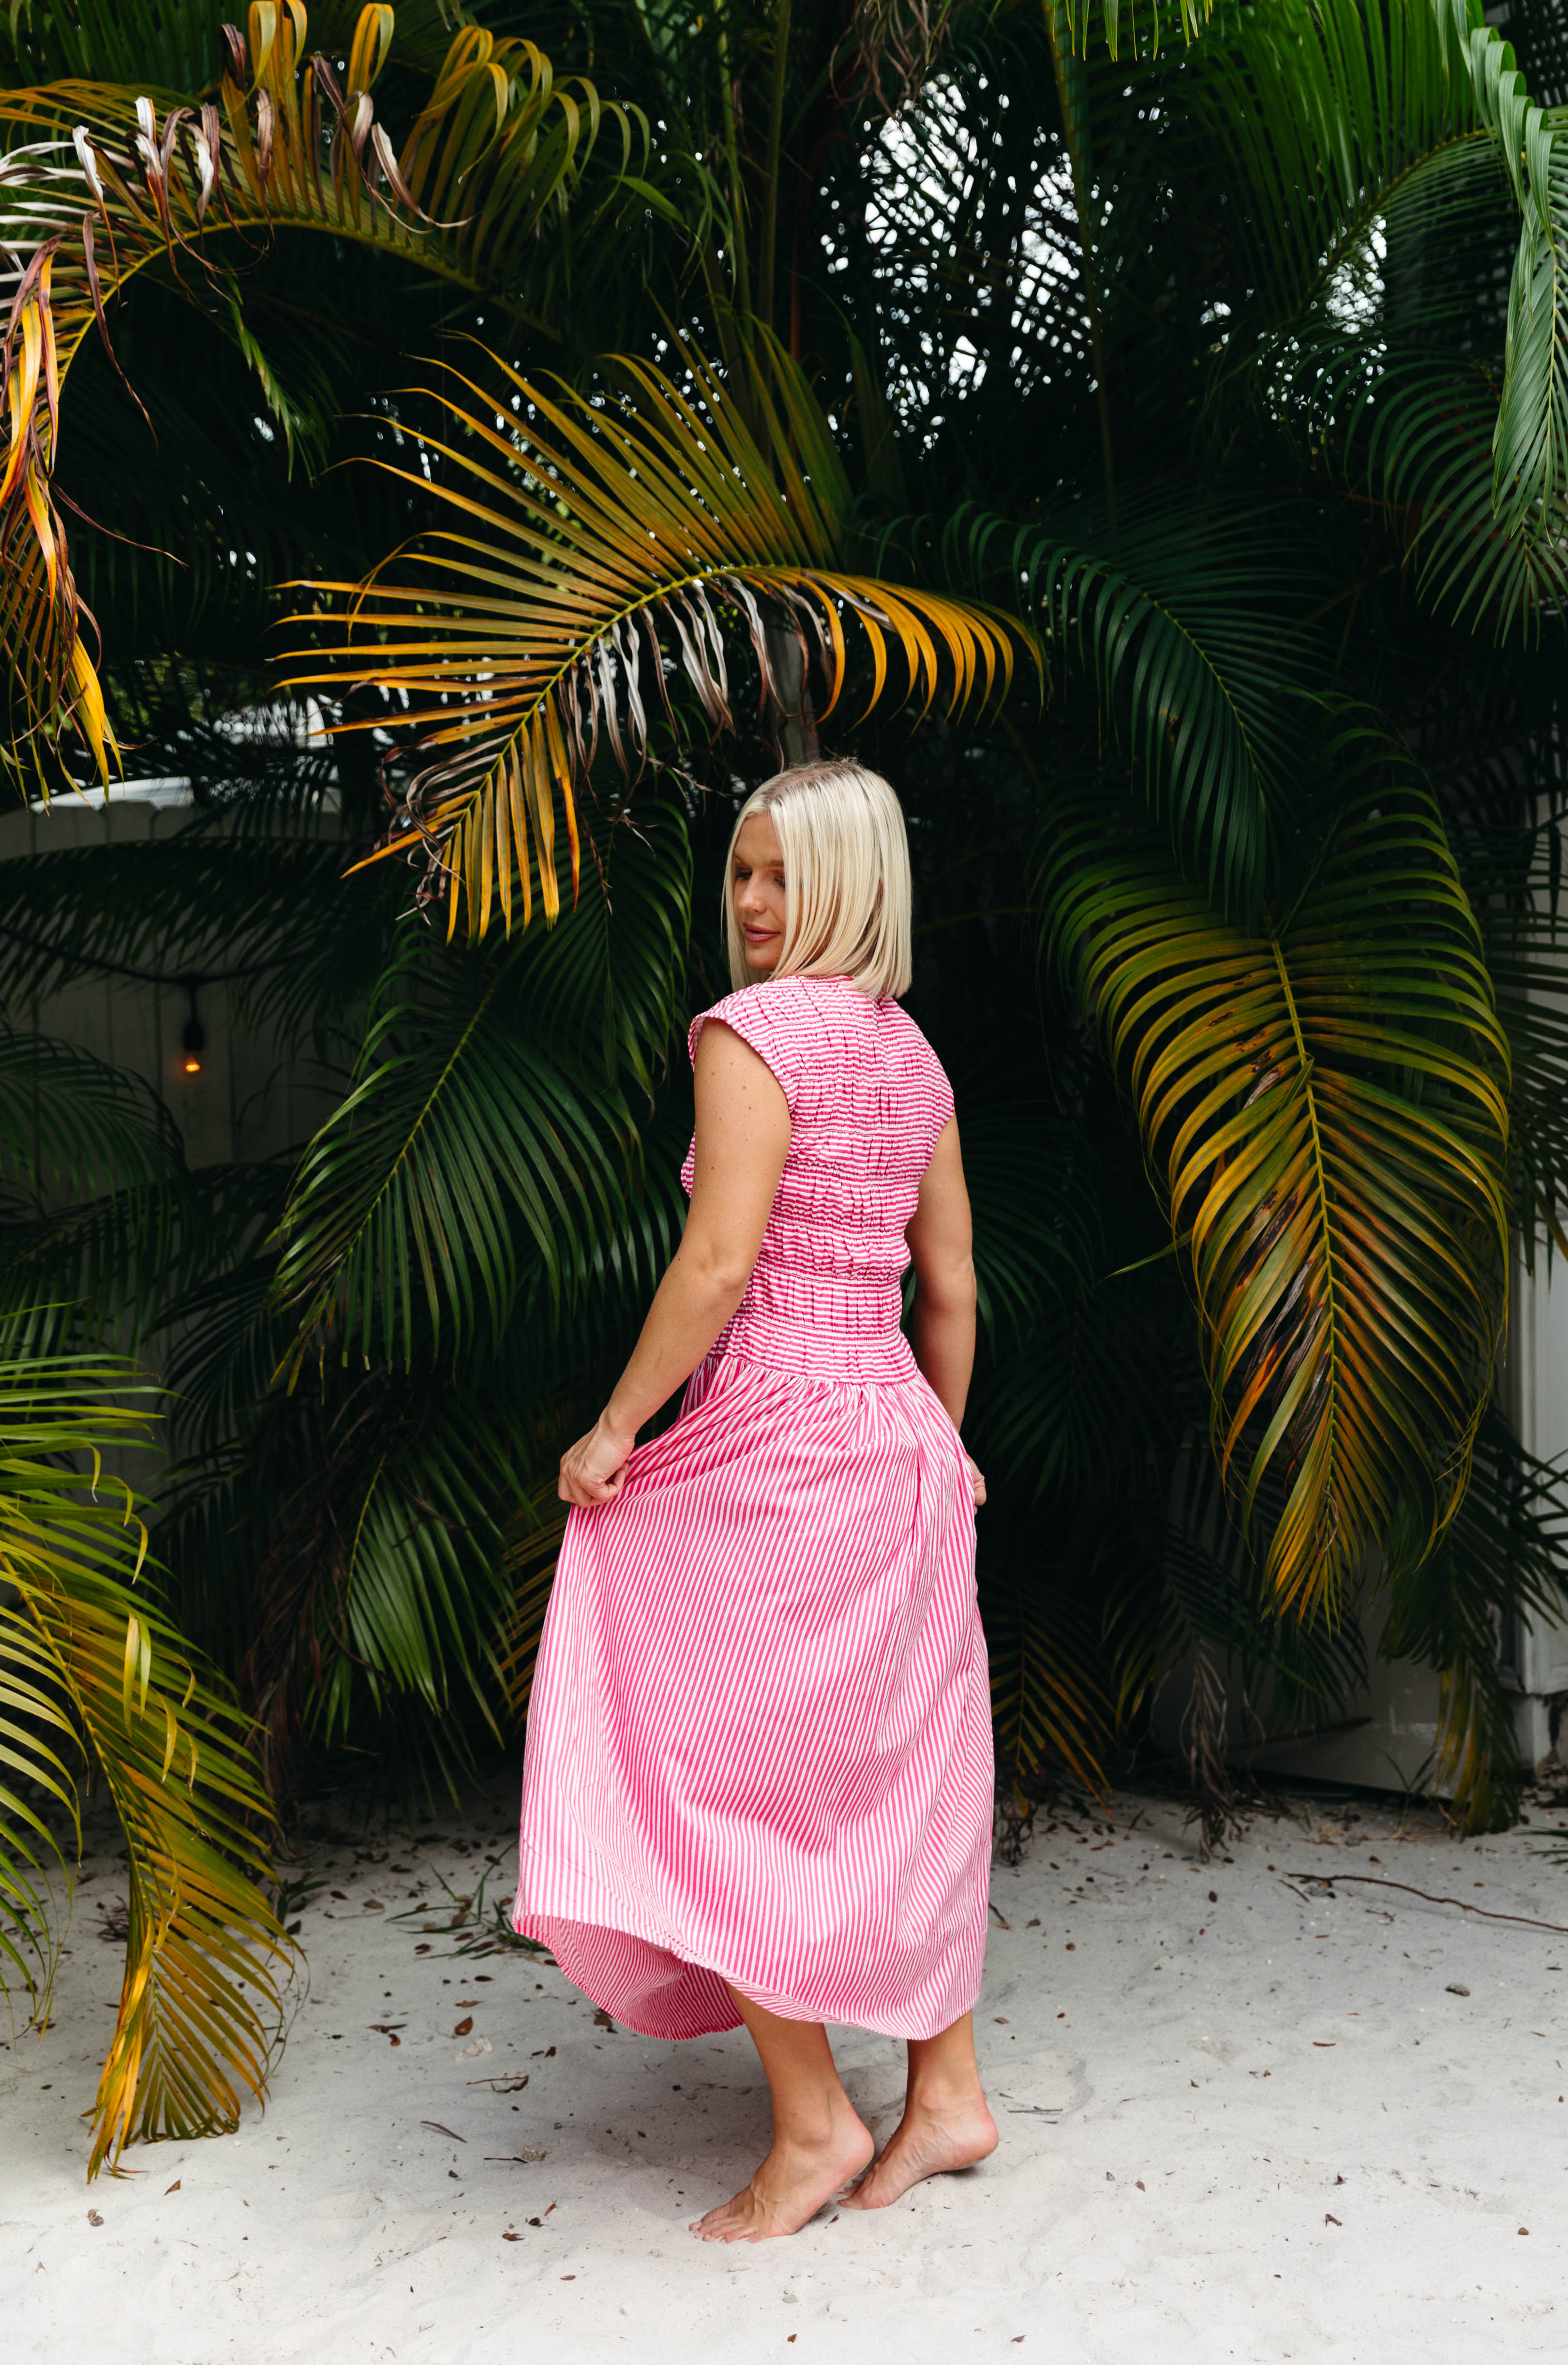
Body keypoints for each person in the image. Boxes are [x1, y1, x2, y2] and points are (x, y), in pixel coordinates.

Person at [512, 757, 998, 2243]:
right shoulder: (916, 1057)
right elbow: (951, 1287)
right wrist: (945, 1447)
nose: (755, 900)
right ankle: (947, 2096)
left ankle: (815, 2125)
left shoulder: (751, 1033)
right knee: (903, 1772)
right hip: (898, 1441)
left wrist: (614, 1427)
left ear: (853, 881)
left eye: (785, 874)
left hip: (781, 1436)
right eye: (742, 872)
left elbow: (720, 1264)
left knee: (708, 1769)